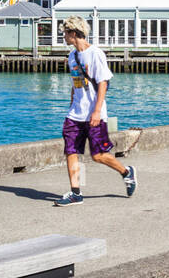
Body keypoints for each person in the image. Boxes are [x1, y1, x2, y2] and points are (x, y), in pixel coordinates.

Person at [57, 16, 136, 206]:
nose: (64, 37)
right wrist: (71, 105)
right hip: (75, 114)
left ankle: (126, 172)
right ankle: (76, 192)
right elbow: (75, 84)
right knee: (72, 150)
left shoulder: (95, 54)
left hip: (94, 112)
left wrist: (97, 111)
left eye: (65, 33)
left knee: (98, 155)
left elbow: (103, 83)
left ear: (73, 33)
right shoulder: (71, 56)